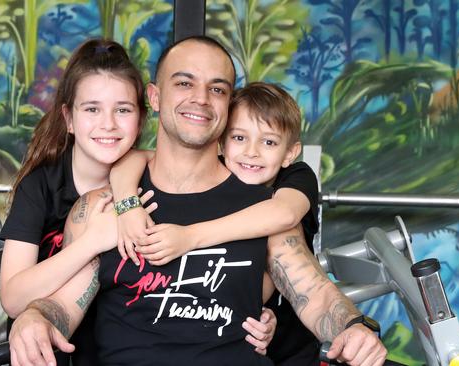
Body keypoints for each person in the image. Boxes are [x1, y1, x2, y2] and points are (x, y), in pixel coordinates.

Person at [8, 36, 387, 366]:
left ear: (228, 104)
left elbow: (315, 293)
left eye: (218, 89)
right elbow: (62, 304)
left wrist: (354, 327)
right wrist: (34, 318)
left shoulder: (264, 211)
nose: (201, 99)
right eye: (184, 83)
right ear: (154, 97)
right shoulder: (105, 206)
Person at [0, 38, 273, 365]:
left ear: (142, 116)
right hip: (52, 341)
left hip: (115, 341)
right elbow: (13, 298)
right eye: (92, 109)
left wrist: (258, 311)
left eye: (123, 110)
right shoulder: (42, 186)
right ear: (69, 118)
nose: (108, 124)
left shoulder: (147, 177)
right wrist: (94, 241)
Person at [109, 81, 322, 364]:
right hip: (237, 332)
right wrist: (127, 203)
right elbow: (137, 157)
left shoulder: (295, 177)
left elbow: (281, 216)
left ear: (290, 153)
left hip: (290, 342)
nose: (252, 152)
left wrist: (189, 237)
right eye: (239, 138)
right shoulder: (216, 174)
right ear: (221, 141)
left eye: (269, 142)